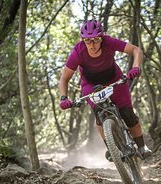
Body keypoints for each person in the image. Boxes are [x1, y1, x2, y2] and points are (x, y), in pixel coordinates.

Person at [59, 20, 152, 161]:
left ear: (102, 37)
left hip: (114, 79)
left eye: (96, 39)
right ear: (82, 40)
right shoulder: (78, 52)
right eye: (88, 41)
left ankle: (141, 146)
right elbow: (64, 79)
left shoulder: (109, 42)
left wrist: (136, 67)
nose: (93, 44)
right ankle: (111, 149)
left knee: (127, 113)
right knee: (99, 113)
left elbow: (136, 50)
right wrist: (63, 98)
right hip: (90, 84)